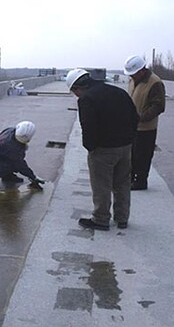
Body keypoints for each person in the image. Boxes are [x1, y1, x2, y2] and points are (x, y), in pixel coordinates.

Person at [66, 69, 139, 230]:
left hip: (103, 150)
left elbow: (88, 127)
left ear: (78, 88)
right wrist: (129, 140)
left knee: (101, 185)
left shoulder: (87, 99)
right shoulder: (118, 92)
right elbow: (135, 117)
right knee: (122, 184)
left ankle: (101, 219)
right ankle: (122, 218)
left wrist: (91, 147)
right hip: (125, 147)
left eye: (74, 92)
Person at [123, 55, 166, 190]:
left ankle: (140, 181)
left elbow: (158, 106)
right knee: (130, 154)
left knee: (143, 155)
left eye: (134, 74)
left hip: (146, 128)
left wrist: (141, 117)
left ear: (142, 70)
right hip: (131, 126)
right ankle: (129, 178)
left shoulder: (155, 83)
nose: (132, 77)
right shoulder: (132, 80)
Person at [0, 121, 45, 189]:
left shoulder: (10, 130)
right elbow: (20, 165)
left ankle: (7, 176)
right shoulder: (12, 147)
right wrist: (33, 177)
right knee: (9, 165)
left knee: (11, 160)